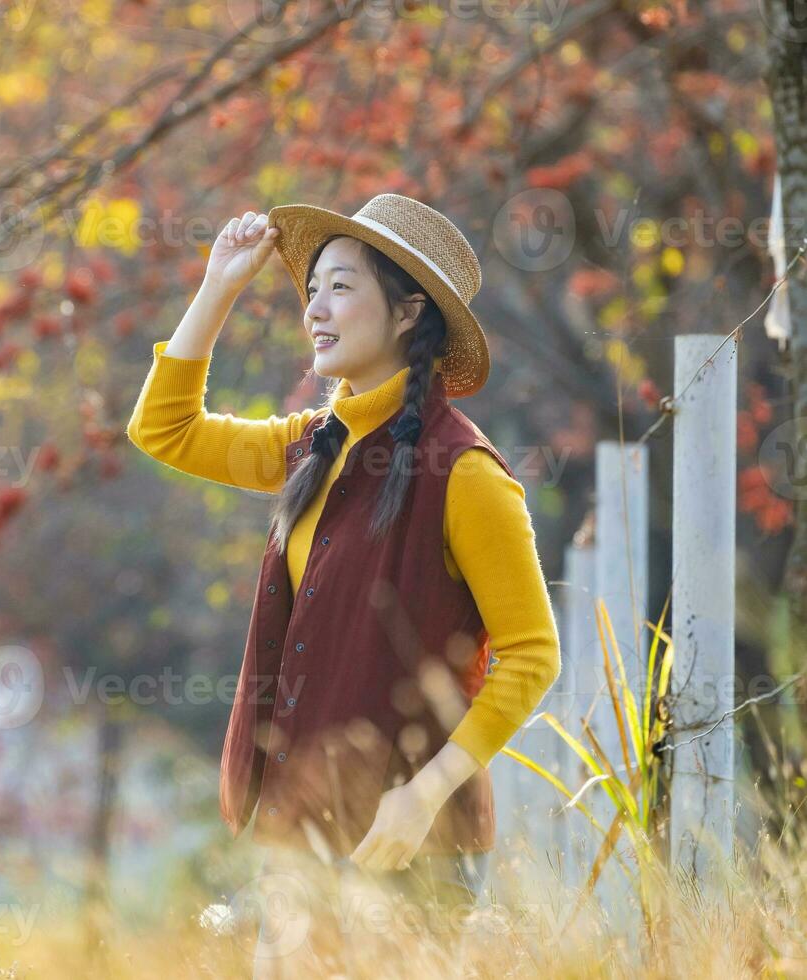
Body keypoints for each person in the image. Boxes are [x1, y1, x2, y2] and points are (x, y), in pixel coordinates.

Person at [125, 196, 561, 976]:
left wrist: (424, 794)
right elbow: (165, 430)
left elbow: (532, 657)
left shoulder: (464, 472)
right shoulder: (311, 446)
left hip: (410, 850)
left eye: (341, 289)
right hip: (297, 841)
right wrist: (218, 288)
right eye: (311, 290)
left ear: (407, 314)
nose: (315, 311)